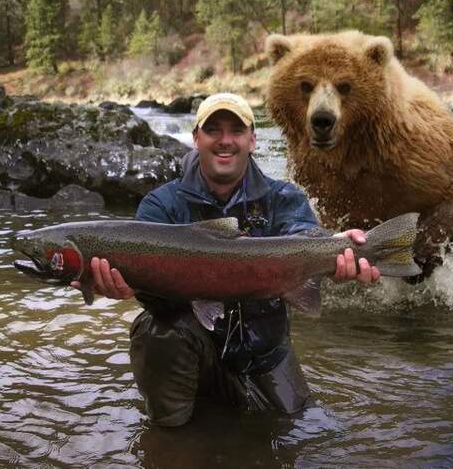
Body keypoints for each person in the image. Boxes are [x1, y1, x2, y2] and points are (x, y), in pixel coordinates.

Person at [71, 93, 380, 426]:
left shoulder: (283, 198)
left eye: (235, 130)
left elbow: (302, 237)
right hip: (195, 348)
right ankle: (171, 434)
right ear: (196, 139)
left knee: (305, 428)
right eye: (213, 130)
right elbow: (157, 298)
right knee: (155, 332)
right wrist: (131, 287)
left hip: (265, 354)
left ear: (252, 139)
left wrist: (336, 251)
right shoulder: (160, 206)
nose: (225, 141)